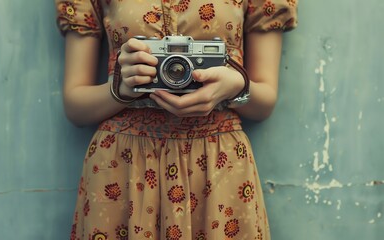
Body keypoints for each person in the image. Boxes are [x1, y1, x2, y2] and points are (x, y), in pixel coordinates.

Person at [54, 0, 297, 239]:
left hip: (218, 165)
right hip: (124, 165)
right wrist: (120, 90)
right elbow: (76, 107)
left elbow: (264, 103)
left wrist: (236, 86)